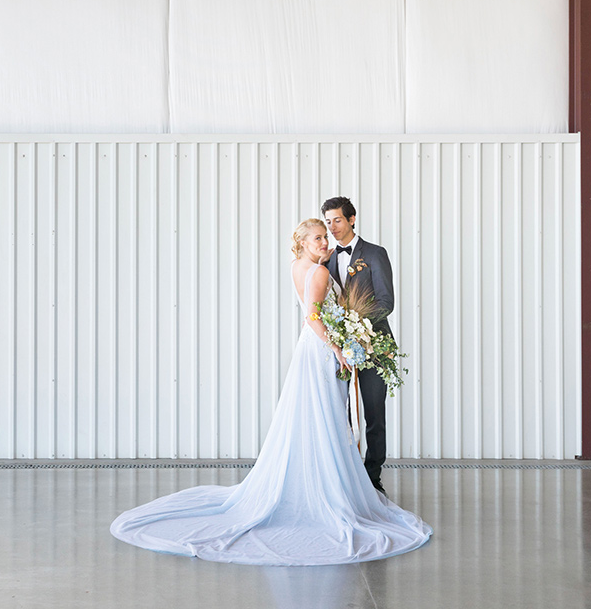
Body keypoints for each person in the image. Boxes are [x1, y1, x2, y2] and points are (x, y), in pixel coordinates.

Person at [110, 219, 431, 565]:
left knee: (312, 416)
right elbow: (313, 317)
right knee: (328, 418)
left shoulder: (298, 267)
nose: (325, 242)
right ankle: (329, 488)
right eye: (318, 238)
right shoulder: (321, 274)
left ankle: (312, 483)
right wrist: (339, 349)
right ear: (304, 242)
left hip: (307, 351)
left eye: (326, 237)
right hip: (324, 351)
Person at [321, 196, 394, 496]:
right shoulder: (324, 260)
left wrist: (357, 327)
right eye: (327, 222)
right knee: (342, 413)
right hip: (337, 350)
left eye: (337, 220)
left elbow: (386, 302)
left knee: (374, 413)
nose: (332, 227)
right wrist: (338, 335)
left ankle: (373, 478)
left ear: (352, 219)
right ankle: (347, 477)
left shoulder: (375, 254)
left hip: (374, 345)